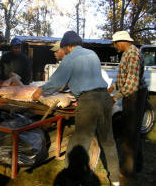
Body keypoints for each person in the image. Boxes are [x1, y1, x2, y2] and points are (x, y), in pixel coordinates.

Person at [32, 31, 120, 186]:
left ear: (67, 46)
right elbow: (83, 77)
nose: (62, 50)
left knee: (80, 142)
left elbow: (56, 83)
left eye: (63, 47)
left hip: (89, 101)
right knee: (108, 141)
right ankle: (115, 180)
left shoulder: (70, 58)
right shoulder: (92, 54)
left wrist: (40, 91)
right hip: (105, 98)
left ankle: (70, 179)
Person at [108, 31, 147, 179]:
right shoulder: (127, 53)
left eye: (116, 43)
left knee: (129, 133)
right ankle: (137, 164)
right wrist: (113, 87)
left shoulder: (132, 54)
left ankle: (127, 171)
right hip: (131, 94)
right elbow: (124, 76)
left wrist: (115, 97)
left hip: (135, 95)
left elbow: (131, 84)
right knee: (134, 130)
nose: (115, 46)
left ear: (123, 41)